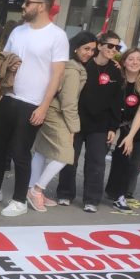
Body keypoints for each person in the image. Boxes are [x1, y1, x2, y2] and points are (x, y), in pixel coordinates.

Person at [0, 0, 68, 217]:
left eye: (27, 2)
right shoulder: (18, 31)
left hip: (33, 103)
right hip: (8, 97)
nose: (23, 6)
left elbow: (57, 76)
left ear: (42, 5)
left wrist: (44, 107)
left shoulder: (57, 36)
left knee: (20, 151)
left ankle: (19, 200)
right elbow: (3, 61)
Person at [55, 31, 124, 211]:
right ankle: (65, 193)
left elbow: (117, 101)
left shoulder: (116, 70)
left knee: (96, 162)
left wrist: (113, 127)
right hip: (77, 121)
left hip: (101, 125)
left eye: (117, 47)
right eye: (110, 45)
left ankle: (92, 200)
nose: (113, 50)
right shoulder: (83, 65)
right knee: (70, 158)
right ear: (99, 46)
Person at [27, 31, 93, 212]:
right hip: (57, 114)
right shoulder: (73, 70)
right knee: (65, 156)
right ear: (76, 48)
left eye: (92, 50)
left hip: (49, 110)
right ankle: (36, 189)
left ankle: (32, 189)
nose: (89, 53)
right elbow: (69, 103)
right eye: (86, 48)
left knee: (41, 151)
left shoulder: (67, 65)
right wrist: (74, 129)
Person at [105, 49, 140, 212]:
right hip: (110, 124)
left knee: (126, 160)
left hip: (131, 126)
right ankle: (105, 191)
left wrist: (130, 137)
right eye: (131, 59)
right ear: (124, 62)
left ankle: (119, 195)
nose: (135, 62)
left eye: (138, 59)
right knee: (101, 159)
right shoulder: (116, 77)